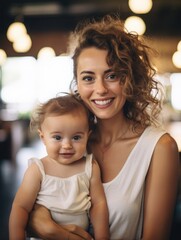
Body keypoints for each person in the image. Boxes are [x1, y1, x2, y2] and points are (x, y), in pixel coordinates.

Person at [27, 14, 179, 240]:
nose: (100, 89)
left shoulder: (159, 148)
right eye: (88, 78)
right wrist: (39, 223)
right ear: (77, 83)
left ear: (129, 79)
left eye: (112, 75)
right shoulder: (73, 139)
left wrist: (49, 228)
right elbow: (39, 206)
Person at [9, 94, 110, 240]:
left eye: (76, 137)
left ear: (87, 136)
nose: (67, 145)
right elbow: (21, 208)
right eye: (57, 137)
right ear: (43, 137)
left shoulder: (90, 166)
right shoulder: (38, 169)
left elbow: (98, 204)